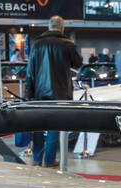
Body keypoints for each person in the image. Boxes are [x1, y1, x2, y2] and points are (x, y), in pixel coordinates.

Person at [24, 16, 82, 167]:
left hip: (39, 92)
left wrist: (28, 91)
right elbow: (78, 63)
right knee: (54, 126)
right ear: (62, 28)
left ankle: (37, 158)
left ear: (49, 27)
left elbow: (30, 70)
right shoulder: (67, 44)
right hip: (61, 93)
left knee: (37, 126)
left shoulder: (37, 44)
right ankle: (49, 160)